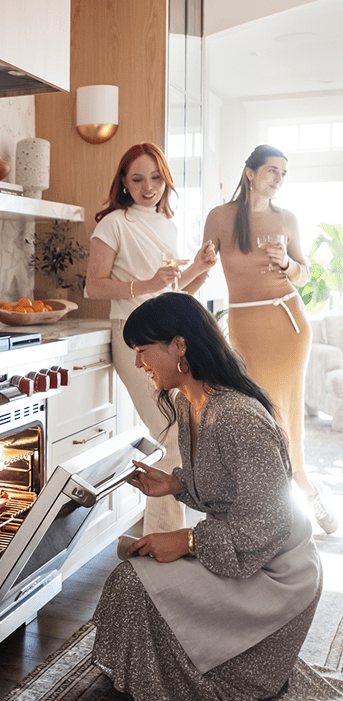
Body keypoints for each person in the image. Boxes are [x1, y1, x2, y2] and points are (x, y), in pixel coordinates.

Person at [91, 292, 337, 701]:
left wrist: (186, 541)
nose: (137, 363)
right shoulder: (191, 405)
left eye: (142, 350)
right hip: (242, 549)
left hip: (277, 571)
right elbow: (226, 485)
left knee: (134, 583)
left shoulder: (238, 417)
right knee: (131, 579)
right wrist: (173, 484)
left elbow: (267, 522)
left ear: (179, 346)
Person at [202, 144, 338, 534]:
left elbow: (304, 275)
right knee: (257, 412)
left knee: (285, 412)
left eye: (283, 173)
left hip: (287, 322)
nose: (278, 179)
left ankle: (300, 486)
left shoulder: (287, 219)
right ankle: (287, 493)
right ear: (250, 172)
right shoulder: (221, 217)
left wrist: (287, 263)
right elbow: (204, 262)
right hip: (245, 325)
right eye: (271, 171)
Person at [85, 142, 216, 534]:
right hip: (134, 340)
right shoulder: (114, 223)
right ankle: (164, 540)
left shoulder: (167, 225)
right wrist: (146, 282)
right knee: (170, 431)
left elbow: (167, 294)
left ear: (166, 180)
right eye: (138, 178)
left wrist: (198, 267)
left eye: (156, 177)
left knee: (184, 428)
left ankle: (167, 535)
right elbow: (94, 286)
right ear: (124, 182)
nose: (148, 186)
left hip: (168, 339)